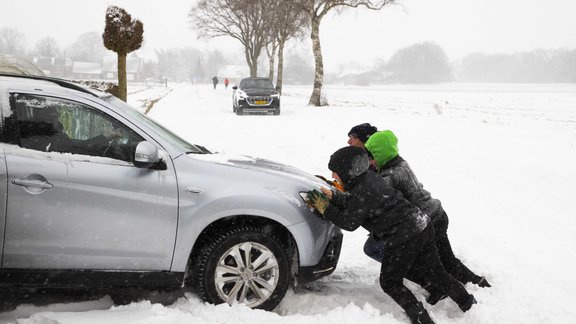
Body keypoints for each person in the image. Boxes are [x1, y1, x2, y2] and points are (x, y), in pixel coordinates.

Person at [306, 146, 476, 324]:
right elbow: (355, 202)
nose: (333, 175)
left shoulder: (363, 189)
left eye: (335, 171)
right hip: (422, 225)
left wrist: (325, 208)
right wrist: (333, 196)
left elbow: (349, 222)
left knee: (390, 282)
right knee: (436, 273)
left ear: (348, 172)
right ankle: (468, 302)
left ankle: (420, 318)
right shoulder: (368, 179)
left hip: (405, 236)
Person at [364, 130, 490, 304]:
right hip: (437, 213)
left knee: (435, 267)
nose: (371, 161)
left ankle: (449, 290)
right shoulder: (400, 163)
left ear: (380, 154)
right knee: (447, 261)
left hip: (427, 221)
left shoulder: (390, 175)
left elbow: (375, 196)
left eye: (372, 156)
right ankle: (478, 283)